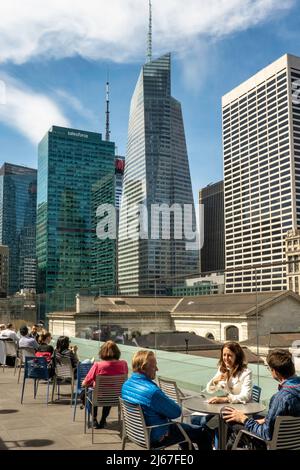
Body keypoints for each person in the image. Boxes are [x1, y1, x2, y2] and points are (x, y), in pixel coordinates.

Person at [121, 350, 212, 450]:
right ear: (144, 368)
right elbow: (176, 412)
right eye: (154, 366)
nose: (157, 369)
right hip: (156, 435)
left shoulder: (126, 385)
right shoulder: (152, 392)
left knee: (183, 433)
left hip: (136, 433)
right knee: (203, 433)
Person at [222, 349, 300, 449]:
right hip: (294, 442)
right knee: (236, 434)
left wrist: (244, 419)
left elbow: (266, 434)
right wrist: (266, 420)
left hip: (272, 444)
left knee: (226, 413)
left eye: (269, 368)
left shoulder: (280, 398)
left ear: (275, 372)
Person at [82, 340, 128, 429]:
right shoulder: (124, 364)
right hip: (116, 397)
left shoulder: (98, 365)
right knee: (109, 392)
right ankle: (103, 419)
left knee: (86, 394)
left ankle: (94, 418)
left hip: (99, 397)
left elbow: (85, 383)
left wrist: (87, 383)